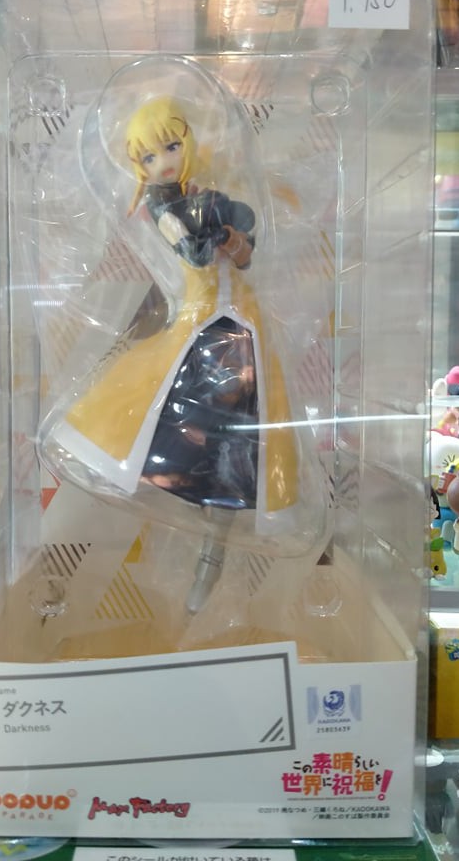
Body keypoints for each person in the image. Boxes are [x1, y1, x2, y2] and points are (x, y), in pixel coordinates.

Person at [41, 95, 301, 575]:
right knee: (166, 405)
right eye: (147, 156)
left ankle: (215, 543)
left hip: (243, 321)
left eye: (171, 147)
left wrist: (230, 234)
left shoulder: (215, 195)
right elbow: (194, 255)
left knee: (245, 430)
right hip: (200, 318)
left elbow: (245, 257)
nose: (162, 163)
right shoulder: (164, 208)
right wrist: (205, 229)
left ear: (190, 142)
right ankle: (199, 533)